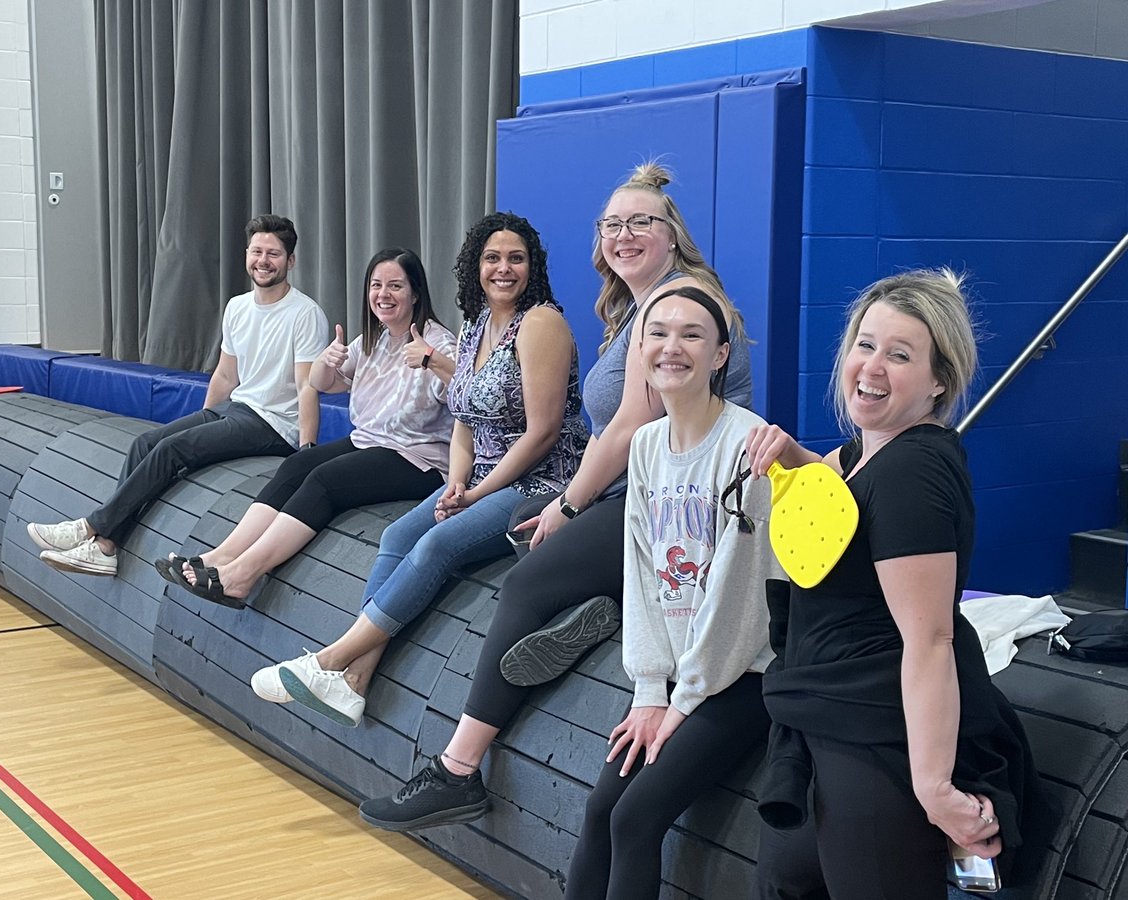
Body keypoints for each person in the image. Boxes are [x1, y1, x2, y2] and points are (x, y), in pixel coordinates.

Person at [358, 160, 753, 831]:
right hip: (636, 492)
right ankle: (609, 603)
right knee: (522, 535)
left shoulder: (671, 303)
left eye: (642, 224)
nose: (625, 236)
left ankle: (458, 769)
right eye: (613, 226)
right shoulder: (636, 307)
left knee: (526, 583)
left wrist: (567, 507)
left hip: (671, 504)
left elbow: (628, 427)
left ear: (672, 234)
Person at [747, 270, 1037, 899]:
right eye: (865, 344)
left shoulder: (912, 472)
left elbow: (928, 639)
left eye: (900, 355)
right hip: (825, 721)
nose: (872, 366)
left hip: (879, 741)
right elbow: (843, 517)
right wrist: (794, 459)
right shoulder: (856, 455)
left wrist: (933, 787)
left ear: (939, 381)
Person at [249, 212, 587, 728]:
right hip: (477, 476)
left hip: (539, 480)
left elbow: (542, 434)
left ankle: (333, 661)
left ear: (532, 266)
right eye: (492, 258)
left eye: (515, 258)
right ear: (475, 265)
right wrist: (457, 479)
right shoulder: (476, 329)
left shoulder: (541, 323)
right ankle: (354, 683)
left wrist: (474, 495)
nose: (503, 268)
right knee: (398, 534)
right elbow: (463, 418)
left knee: (435, 544)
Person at [563, 285, 781, 899]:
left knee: (636, 818)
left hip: (742, 677)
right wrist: (648, 690)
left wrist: (679, 704)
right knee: (600, 811)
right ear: (638, 349)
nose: (672, 347)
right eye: (657, 333)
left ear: (719, 356)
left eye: (692, 335)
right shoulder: (645, 445)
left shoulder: (748, 444)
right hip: (678, 679)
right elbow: (642, 574)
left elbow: (739, 598)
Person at [27, 215, 328, 577]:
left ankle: (91, 528)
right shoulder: (237, 307)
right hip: (236, 410)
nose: (263, 260)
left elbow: (306, 386)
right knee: (145, 443)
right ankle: (106, 547)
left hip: (274, 425)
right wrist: (203, 427)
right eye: (257, 251)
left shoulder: (305, 314)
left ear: (290, 261)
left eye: (274, 254)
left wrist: (306, 450)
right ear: (246, 254)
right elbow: (226, 374)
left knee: (172, 449)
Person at [157, 248, 457, 609]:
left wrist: (432, 361)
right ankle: (221, 556)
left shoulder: (439, 343)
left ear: (416, 293)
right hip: (369, 442)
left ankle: (243, 575)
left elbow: (465, 396)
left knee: (325, 480)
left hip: (418, 458)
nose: (383, 295)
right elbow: (323, 384)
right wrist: (327, 361)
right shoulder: (373, 339)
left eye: (395, 286)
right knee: (298, 464)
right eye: (376, 285)